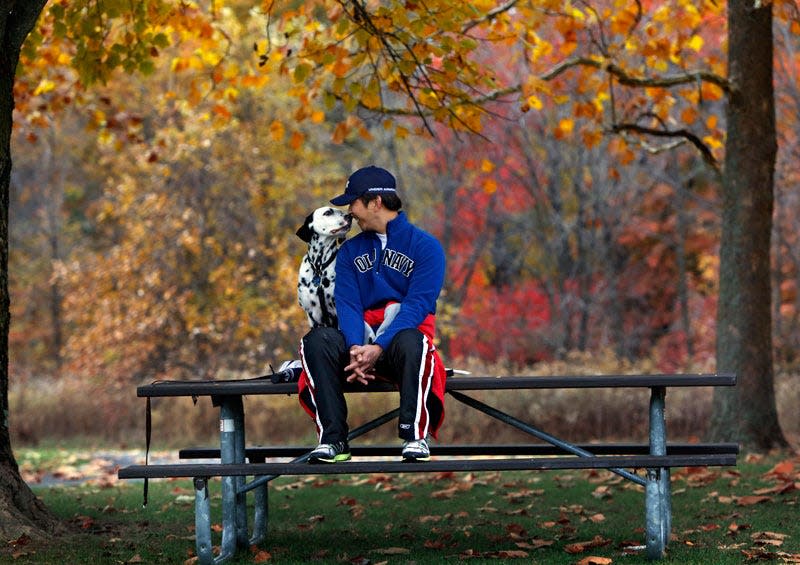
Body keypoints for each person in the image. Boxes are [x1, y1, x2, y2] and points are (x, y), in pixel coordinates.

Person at [297, 165, 447, 463]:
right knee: (317, 340)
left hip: (400, 343)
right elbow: (348, 304)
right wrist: (356, 349)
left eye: (353, 202)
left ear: (376, 202)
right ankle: (333, 440)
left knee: (413, 341)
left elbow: (417, 306)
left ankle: (415, 436)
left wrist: (379, 348)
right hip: (360, 339)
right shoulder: (350, 251)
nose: (349, 212)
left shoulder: (426, 247)